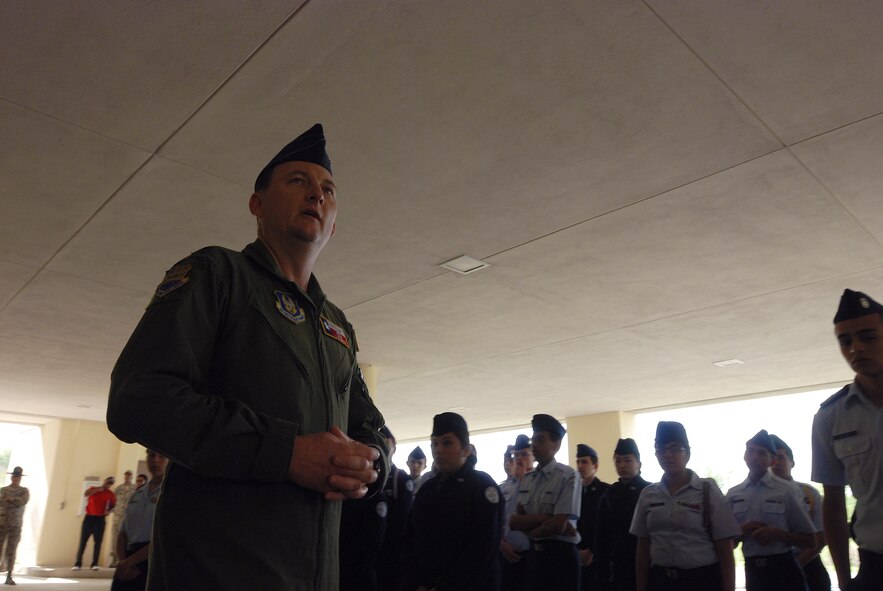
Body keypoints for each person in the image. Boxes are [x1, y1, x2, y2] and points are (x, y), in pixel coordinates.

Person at [106, 124, 389, 591]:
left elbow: (371, 425)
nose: (316, 194)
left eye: (327, 189)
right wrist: (286, 452)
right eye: (297, 180)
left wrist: (372, 461)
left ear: (334, 223)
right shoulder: (218, 274)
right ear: (256, 204)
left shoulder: (335, 324)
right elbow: (138, 397)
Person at [812, 288, 883, 591]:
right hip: (876, 564)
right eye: (845, 341)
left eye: (868, 337)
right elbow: (833, 502)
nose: (856, 348)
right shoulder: (831, 416)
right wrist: (843, 580)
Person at [630, 421, 740, 591]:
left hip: (701, 580)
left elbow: (725, 549)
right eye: (661, 450)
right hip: (660, 580)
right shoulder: (648, 494)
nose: (667, 455)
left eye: (674, 449)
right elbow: (643, 548)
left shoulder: (707, 490)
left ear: (687, 453)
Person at [402, 412, 503, 591]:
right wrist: (417, 582)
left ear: (465, 449)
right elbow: (412, 539)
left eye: (447, 443)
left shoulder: (482, 487)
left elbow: (483, 549)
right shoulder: (428, 489)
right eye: (435, 443)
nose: (438, 450)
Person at [726, 430, 815, 591]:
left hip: (784, 568)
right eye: (750, 451)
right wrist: (741, 531)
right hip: (752, 570)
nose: (754, 457)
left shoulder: (787, 491)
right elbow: (727, 544)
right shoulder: (733, 494)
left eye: (761, 453)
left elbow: (810, 540)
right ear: (744, 456)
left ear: (772, 460)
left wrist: (775, 533)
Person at [510, 414, 582, 591]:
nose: (534, 445)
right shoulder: (528, 478)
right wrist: (546, 518)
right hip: (534, 556)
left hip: (561, 557)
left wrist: (533, 526)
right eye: (533, 439)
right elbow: (514, 522)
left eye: (540, 440)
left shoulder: (568, 476)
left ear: (555, 444)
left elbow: (558, 524)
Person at [770, 434, 830, 591]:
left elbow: (821, 537)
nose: (776, 463)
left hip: (811, 566)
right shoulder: (753, 495)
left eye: (781, 458)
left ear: (792, 462)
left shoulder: (809, 493)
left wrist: (795, 565)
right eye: (772, 459)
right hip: (772, 569)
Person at [594, 438, 651, 591]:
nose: (622, 465)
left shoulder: (650, 492)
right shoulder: (609, 495)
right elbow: (601, 538)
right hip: (617, 564)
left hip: (646, 561)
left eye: (628, 460)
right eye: (618, 461)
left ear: (639, 464)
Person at [112, 450, 168, 591]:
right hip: (127, 558)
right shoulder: (138, 493)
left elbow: (164, 538)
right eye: (151, 455)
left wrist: (130, 562)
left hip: (152, 560)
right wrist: (122, 561)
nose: (155, 460)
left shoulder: (170, 494)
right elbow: (123, 531)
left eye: (161, 456)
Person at [375, 426, 414, 591]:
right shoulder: (371, 477)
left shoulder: (401, 479)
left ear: (394, 448)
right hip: (370, 552)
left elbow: (403, 522)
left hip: (392, 551)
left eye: (386, 444)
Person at [499, 434, 534, 591]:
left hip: (530, 555)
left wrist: (523, 481)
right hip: (503, 553)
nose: (519, 458)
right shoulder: (502, 488)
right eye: (516, 455)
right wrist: (500, 544)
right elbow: (495, 521)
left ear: (534, 457)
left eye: (524, 454)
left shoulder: (539, 485)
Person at [576, 444, 610, 591]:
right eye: (578, 462)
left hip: (597, 555)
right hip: (576, 552)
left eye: (584, 462)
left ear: (595, 465)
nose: (580, 466)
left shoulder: (606, 491)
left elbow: (605, 526)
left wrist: (591, 550)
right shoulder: (573, 491)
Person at [74, 476, 116, 570]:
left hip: (100, 520)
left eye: (111, 483)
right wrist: (98, 489)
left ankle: (94, 564)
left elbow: (113, 506)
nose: (108, 484)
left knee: (98, 543)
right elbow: (86, 494)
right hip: (89, 518)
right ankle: (77, 563)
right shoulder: (93, 488)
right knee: (83, 542)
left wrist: (109, 511)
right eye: (108, 481)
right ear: (104, 481)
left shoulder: (111, 494)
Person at [0, 467, 29, 585]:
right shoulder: (3, 489)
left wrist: (10, 499)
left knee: (11, 551)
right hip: (2, 523)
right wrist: (13, 501)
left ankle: (9, 576)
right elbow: (1, 501)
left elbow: (23, 501)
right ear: (12, 477)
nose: (16, 478)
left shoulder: (24, 491)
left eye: (18, 477)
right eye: (14, 476)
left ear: (20, 478)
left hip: (15, 525)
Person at [110, 471, 137, 568]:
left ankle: (123, 560)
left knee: (126, 538)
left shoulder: (135, 489)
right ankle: (114, 560)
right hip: (117, 516)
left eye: (129, 476)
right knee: (115, 537)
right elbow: (112, 501)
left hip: (127, 517)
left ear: (132, 477)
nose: (127, 478)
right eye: (126, 476)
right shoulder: (118, 489)